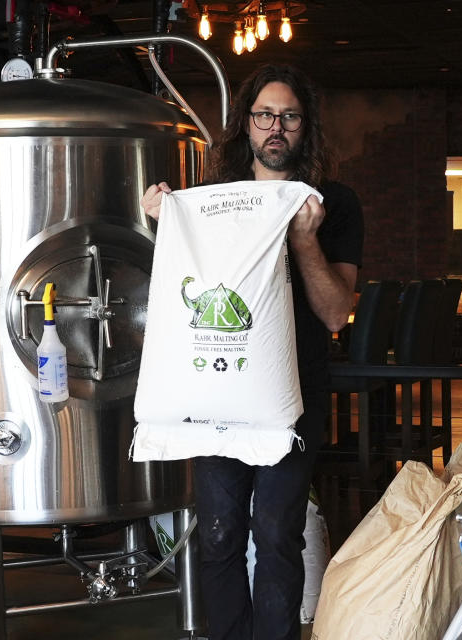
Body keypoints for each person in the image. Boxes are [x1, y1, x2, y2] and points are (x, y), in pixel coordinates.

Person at [140, 63, 364, 640]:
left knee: (276, 530)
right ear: (245, 126)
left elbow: (337, 312)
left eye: (290, 117)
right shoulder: (214, 203)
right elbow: (177, 286)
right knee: (217, 531)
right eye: (265, 115)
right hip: (216, 389)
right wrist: (160, 222)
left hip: (293, 391)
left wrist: (305, 240)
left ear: (305, 127)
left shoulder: (331, 204)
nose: (276, 128)